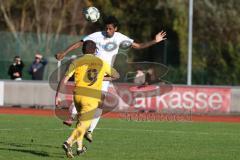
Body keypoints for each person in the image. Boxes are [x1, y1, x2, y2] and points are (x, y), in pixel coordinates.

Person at [55, 16, 167, 141]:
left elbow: (139, 46)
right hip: (91, 71)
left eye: (110, 28)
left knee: (100, 103)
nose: (107, 30)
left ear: (115, 29)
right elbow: (79, 43)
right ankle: (72, 116)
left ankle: (90, 131)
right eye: (106, 28)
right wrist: (64, 53)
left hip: (105, 74)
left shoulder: (120, 37)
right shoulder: (97, 35)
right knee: (86, 94)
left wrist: (155, 41)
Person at [55, 40, 119, 158]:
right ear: (95, 51)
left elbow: (64, 79)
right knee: (84, 125)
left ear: (82, 50)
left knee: (80, 122)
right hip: (91, 97)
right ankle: (68, 142)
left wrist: (57, 96)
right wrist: (102, 78)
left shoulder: (76, 61)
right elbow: (116, 75)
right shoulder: (101, 62)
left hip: (78, 96)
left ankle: (79, 148)